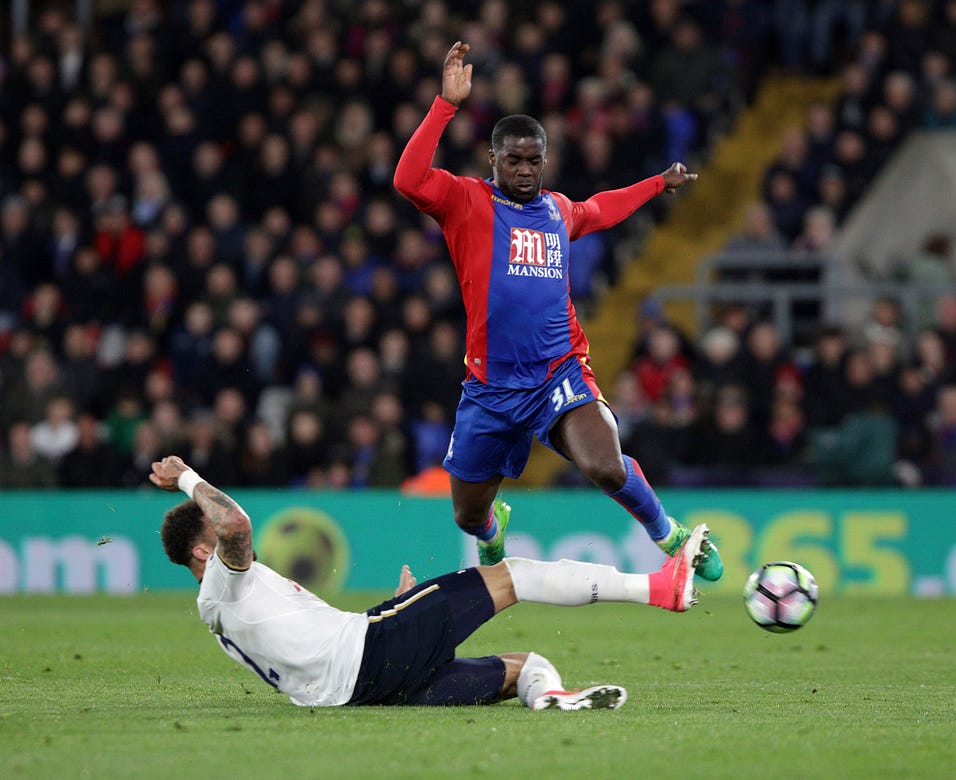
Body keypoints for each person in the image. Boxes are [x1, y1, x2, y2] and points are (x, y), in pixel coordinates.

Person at [393, 42, 722, 581]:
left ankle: (673, 538)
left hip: (557, 372)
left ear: (545, 161)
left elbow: (601, 208)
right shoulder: (467, 202)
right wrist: (445, 105)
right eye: (514, 160)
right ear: (492, 160)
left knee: (604, 465)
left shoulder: (557, 209)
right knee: (467, 514)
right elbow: (407, 180)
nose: (525, 171)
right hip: (491, 387)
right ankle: (493, 528)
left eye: (534, 160)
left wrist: (659, 183)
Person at [148, 456, 710, 710]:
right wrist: (188, 480)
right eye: (213, 539)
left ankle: (552, 699)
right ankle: (662, 589)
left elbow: (310, 642)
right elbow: (236, 524)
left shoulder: (227, 609)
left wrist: (392, 608)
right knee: (512, 576)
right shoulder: (223, 582)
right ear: (203, 551)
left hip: (358, 689)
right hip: (369, 654)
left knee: (524, 667)